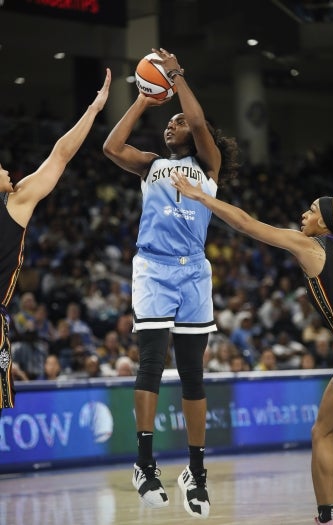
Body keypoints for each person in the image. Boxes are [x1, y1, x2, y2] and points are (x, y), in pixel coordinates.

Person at [103, 47, 238, 518]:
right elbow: (111, 148)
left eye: (176, 121)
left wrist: (177, 76)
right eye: (170, 122)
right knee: (151, 363)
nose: (172, 125)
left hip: (195, 272)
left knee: (194, 375)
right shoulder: (152, 164)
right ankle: (145, 463)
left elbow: (201, 126)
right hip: (155, 268)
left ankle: (196, 471)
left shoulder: (208, 166)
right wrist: (144, 98)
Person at [172, 173, 333, 525]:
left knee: (323, 434)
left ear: (327, 222)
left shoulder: (312, 247)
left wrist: (201, 197)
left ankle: (326, 519)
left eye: (313, 210)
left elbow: (248, 224)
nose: (305, 215)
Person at [0, 68, 111, 415]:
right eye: (1, 167)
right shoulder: (14, 204)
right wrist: (93, 110)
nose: (8, 171)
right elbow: (59, 156)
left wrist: (92, 110)